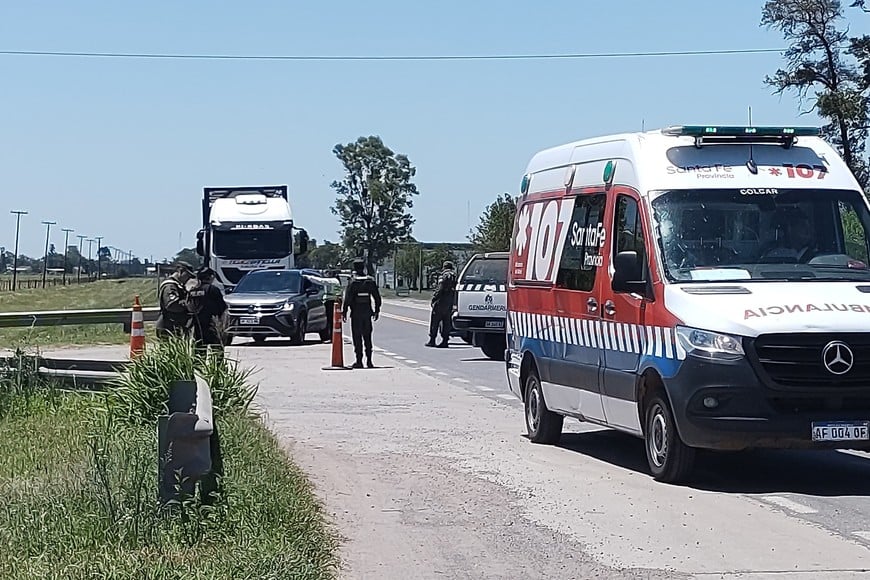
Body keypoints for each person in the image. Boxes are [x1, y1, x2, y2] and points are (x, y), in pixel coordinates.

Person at [342, 258, 382, 368]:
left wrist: (344, 311)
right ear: (363, 267)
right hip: (367, 313)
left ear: (354, 268)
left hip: (356, 314)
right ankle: (369, 361)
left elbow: (348, 298)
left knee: (357, 337)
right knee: (367, 337)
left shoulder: (353, 281)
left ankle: (359, 361)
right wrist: (377, 310)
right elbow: (377, 298)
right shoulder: (370, 281)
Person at [187, 267, 228, 350]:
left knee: (199, 350)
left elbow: (189, 306)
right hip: (211, 324)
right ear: (210, 277)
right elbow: (222, 307)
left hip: (197, 325)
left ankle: (199, 363)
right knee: (216, 350)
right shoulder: (212, 289)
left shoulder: (192, 290)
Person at [156, 261, 195, 338]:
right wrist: (189, 304)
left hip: (176, 326)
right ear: (180, 271)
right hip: (169, 326)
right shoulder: (170, 286)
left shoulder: (178, 285)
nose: (188, 279)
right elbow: (172, 305)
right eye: (187, 275)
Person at [426, 260, 457, 348]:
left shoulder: (444, 275)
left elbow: (440, 287)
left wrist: (434, 298)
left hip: (441, 301)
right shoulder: (455, 276)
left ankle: (432, 340)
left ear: (444, 267)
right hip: (450, 301)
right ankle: (445, 340)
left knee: (435, 321)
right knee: (446, 321)